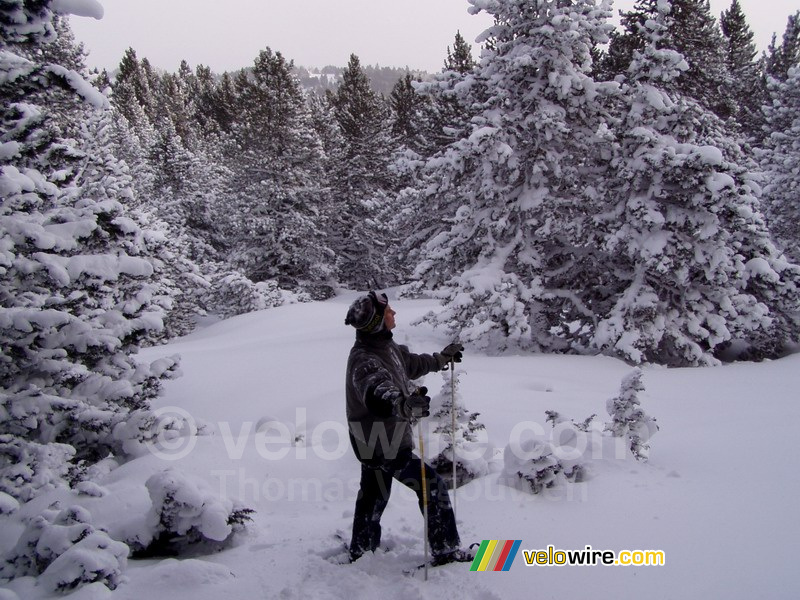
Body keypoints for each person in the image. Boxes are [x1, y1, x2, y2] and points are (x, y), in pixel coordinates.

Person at [343, 290, 471, 565]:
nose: (394, 313)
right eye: (388, 311)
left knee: (374, 492)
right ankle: (446, 550)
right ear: (377, 321)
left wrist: (441, 359)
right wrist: (402, 404)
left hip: (374, 439)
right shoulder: (364, 360)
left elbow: (410, 364)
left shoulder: (384, 346)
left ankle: (362, 548)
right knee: (431, 485)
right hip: (383, 441)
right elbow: (378, 391)